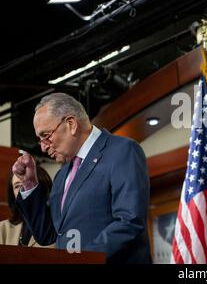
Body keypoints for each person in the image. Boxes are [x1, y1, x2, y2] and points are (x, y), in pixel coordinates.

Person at [12, 92, 151, 263]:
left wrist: (84, 259)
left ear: (71, 124)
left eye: (46, 136)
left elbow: (130, 221)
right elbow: (47, 234)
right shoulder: (62, 175)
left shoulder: (122, 150)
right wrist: (30, 183)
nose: (42, 147)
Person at [0, 166, 54, 247]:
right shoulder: (2, 228)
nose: (23, 190)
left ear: (44, 187)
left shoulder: (57, 227)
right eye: (17, 186)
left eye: (28, 183)